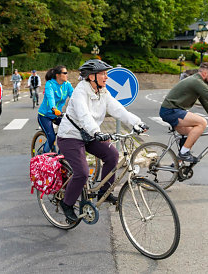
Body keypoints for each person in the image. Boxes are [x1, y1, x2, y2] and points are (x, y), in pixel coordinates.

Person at [56, 60, 148, 222]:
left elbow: (117, 109)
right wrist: (97, 132)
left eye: (106, 74)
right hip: (70, 136)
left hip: (90, 134)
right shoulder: (80, 92)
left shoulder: (103, 91)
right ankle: (67, 204)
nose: (107, 77)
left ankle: (104, 193)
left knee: (112, 155)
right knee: (83, 173)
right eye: (103, 74)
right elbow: (83, 115)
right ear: (91, 77)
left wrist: (137, 122)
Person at [37, 65, 73, 153]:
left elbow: (74, 97)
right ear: (58, 75)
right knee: (51, 137)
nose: (66, 75)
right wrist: (53, 108)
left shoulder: (67, 84)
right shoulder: (50, 84)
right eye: (64, 73)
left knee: (69, 131)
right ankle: (42, 157)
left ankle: (60, 155)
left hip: (57, 114)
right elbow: (50, 97)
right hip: (45, 115)